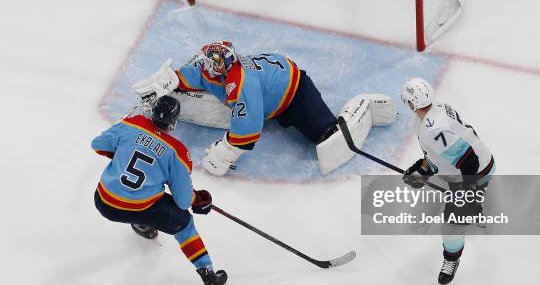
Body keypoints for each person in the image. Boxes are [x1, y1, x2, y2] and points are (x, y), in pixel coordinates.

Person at [131, 41, 397, 176]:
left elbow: (249, 127)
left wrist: (226, 151)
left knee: (326, 136)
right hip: (271, 83)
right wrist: (166, 83)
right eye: (209, 60)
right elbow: (185, 76)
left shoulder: (240, 82)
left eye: (217, 61)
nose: (211, 65)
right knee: (239, 106)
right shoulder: (209, 70)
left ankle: (365, 106)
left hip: (294, 92)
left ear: (227, 62)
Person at [91, 95, 228, 285]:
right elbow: (183, 201)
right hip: (138, 208)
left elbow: (98, 144)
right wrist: (197, 199)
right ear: (174, 122)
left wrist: (121, 152)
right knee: (183, 222)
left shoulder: (132, 124)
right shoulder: (177, 151)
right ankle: (208, 276)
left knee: (139, 194)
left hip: (104, 201)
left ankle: (143, 225)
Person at [400, 78, 495, 285]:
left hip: (476, 172)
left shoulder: (433, 129)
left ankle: (451, 259)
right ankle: (475, 206)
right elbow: (443, 151)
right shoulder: (433, 111)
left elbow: (469, 162)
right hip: (478, 162)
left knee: (451, 224)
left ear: (411, 103)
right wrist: (424, 168)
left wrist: (466, 192)